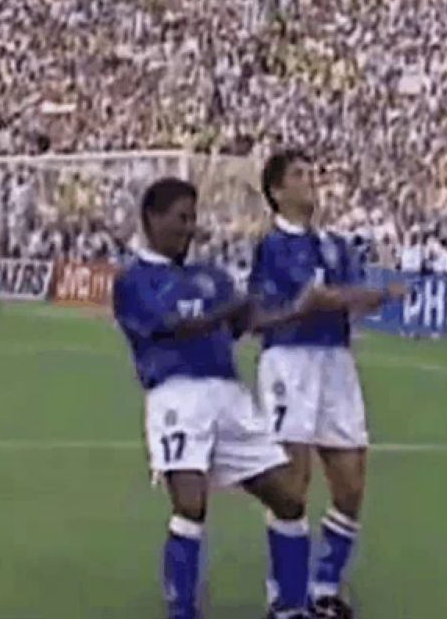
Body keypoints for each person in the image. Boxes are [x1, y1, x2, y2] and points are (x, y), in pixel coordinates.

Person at [113, 177, 344, 619]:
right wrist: (229, 309)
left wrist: (298, 308)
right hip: (176, 395)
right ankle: (183, 611)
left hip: (230, 395)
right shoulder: (133, 280)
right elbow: (170, 327)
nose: (189, 227)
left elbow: (247, 322)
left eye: (193, 217)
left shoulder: (209, 275)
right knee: (190, 503)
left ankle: (289, 607)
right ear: (151, 219)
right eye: (181, 218)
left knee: (289, 499)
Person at [248, 150, 407, 618]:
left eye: (311, 173)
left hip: (336, 362)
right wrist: (360, 295)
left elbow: (348, 298)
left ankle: (323, 588)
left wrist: (361, 298)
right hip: (289, 363)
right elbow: (285, 307)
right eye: (298, 175)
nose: (310, 181)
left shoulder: (335, 245)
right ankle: (285, 596)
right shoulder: (271, 247)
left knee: (352, 483)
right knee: (291, 487)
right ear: (277, 192)